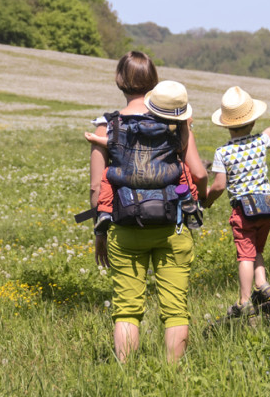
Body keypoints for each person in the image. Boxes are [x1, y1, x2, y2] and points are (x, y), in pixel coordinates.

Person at [85, 52, 206, 363]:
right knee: (175, 308)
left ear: (118, 81)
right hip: (172, 226)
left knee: (126, 308)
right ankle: (173, 379)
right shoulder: (176, 122)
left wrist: (100, 233)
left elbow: (97, 188)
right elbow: (200, 172)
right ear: (154, 81)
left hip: (126, 227)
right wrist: (198, 200)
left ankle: (127, 379)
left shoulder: (106, 128)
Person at [202, 86, 270, 320]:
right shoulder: (260, 142)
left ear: (227, 125)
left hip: (244, 210)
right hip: (268, 207)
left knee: (245, 256)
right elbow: (268, 133)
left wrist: (207, 200)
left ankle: (244, 300)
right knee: (256, 250)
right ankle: (263, 285)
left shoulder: (223, 152)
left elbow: (219, 185)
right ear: (252, 122)